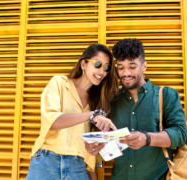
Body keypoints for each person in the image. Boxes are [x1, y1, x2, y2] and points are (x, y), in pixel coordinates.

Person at [84, 39, 187, 180]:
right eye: (120, 67)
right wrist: (96, 149)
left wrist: (147, 139)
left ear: (144, 66)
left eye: (132, 66)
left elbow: (181, 134)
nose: (126, 73)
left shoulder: (167, 95)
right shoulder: (111, 102)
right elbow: (107, 145)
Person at [26, 44, 119, 180]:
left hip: (78, 167)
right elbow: (52, 120)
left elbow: (91, 153)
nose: (102, 71)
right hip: (46, 163)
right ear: (83, 64)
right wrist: (91, 115)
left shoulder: (99, 101)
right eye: (98, 64)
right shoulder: (58, 83)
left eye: (106, 67)